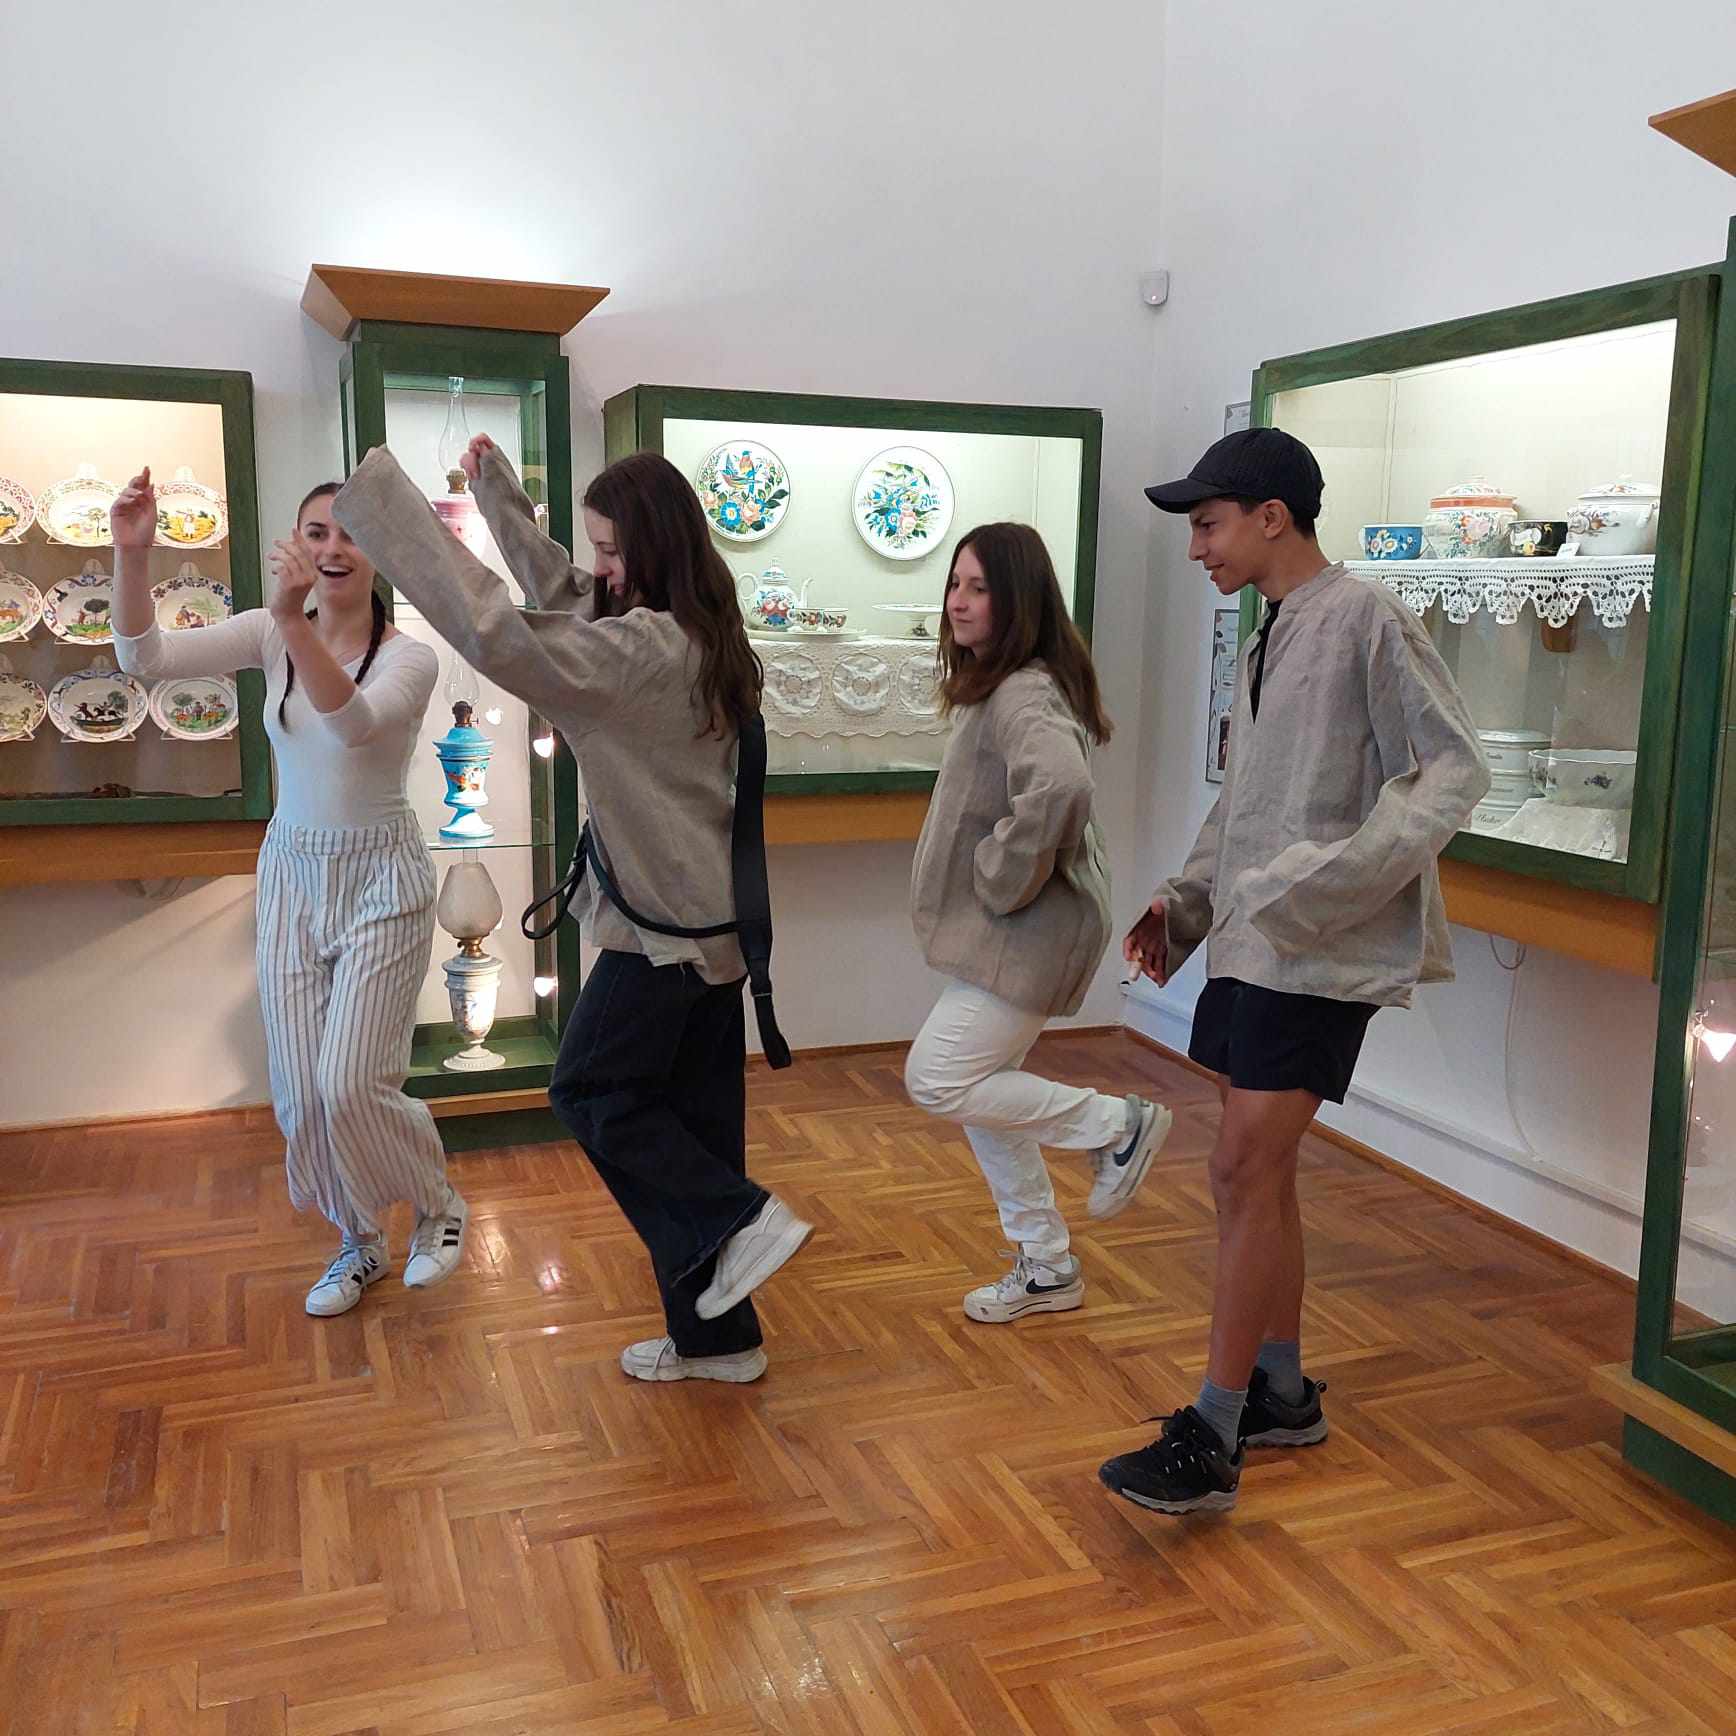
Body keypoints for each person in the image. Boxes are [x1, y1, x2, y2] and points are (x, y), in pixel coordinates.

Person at [332, 436, 810, 1385]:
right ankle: (720, 1341)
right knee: (694, 1124)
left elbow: (502, 632)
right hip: (710, 932)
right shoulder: (698, 631)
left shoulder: (638, 654)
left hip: (660, 935)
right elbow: (570, 599)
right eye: (597, 548)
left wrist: (383, 503)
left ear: (655, 546)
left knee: (588, 1090)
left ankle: (738, 1216)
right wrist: (498, 496)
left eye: (613, 549)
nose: (602, 568)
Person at [1099, 427, 1488, 1514]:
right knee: (1258, 1174)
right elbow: (1247, 801)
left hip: (1319, 950)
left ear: (1272, 517)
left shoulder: (1367, 616)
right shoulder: (1273, 632)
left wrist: (1329, 880)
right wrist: (1184, 903)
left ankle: (1214, 1430)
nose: (1197, 549)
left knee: (1237, 1167)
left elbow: (1452, 770)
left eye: (1208, 525)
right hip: (1254, 942)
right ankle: (1277, 1390)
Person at [110, 468, 469, 1317]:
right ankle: (358, 1239)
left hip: (382, 877)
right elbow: (143, 657)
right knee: (303, 1092)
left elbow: (353, 725)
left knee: (351, 1082)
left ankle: (438, 1205)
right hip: (293, 873)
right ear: (295, 543)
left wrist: (289, 622)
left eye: (352, 532)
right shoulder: (272, 632)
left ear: (380, 552)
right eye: (318, 531)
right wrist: (131, 555)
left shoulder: (410, 656)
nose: (333, 548)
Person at [904, 523, 1172, 1324]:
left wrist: (1001, 869)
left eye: (979, 587)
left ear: (1018, 598)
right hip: (1016, 934)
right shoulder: (1009, 683)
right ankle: (1047, 1265)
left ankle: (1117, 1125)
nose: (958, 601)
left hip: (1027, 934)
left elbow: (1060, 786)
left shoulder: (1021, 689)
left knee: (939, 1077)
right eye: (955, 584)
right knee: (987, 1097)